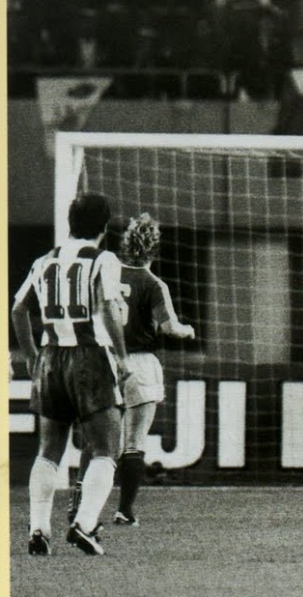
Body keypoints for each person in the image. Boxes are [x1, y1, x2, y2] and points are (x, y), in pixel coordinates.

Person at [11, 194, 128, 556]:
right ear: (104, 227)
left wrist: (32, 357)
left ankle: (38, 529)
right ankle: (85, 524)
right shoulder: (104, 259)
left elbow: (18, 309)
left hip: (51, 358)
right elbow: (107, 307)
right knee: (107, 447)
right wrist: (122, 357)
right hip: (90, 358)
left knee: (49, 450)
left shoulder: (44, 261)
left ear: (70, 223)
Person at [70, 214, 196, 528]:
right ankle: (124, 511)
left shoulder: (107, 275)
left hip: (104, 358)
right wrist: (188, 330)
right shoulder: (154, 284)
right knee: (134, 441)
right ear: (156, 249)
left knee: (96, 439)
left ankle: (79, 504)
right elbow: (169, 327)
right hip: (139, 363)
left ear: (125, 245)